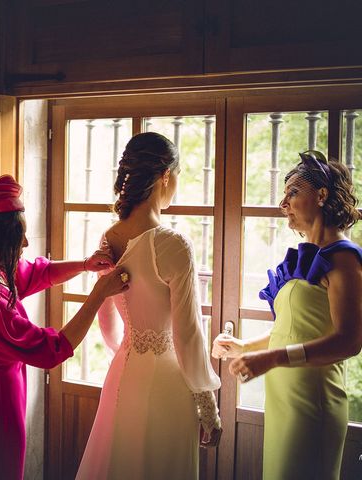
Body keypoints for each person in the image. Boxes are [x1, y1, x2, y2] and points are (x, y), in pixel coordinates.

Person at [0, 175, 130, 480]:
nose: (26, 244)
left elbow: (36, 273)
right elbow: (51, 350)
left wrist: (84, 264)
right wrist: (98, 295)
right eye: (20, 237)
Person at [76, 132, 222, 480]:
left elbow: (108, 321)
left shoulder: (109, 237)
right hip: (167, 385)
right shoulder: (174, 245)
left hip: (123, 375)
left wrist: (129, 351)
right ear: (165, 176)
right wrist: (208, 408)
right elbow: (188, 335)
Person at [212, 150, 362, 480]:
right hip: (284, 400)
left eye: (293, 192)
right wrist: (244, 347)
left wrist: (273, 359)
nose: (283, 203)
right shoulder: (307, 257)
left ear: (321, 195)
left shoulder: (345, 259)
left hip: (314, 400)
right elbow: (294, 330)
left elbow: (349, 341)